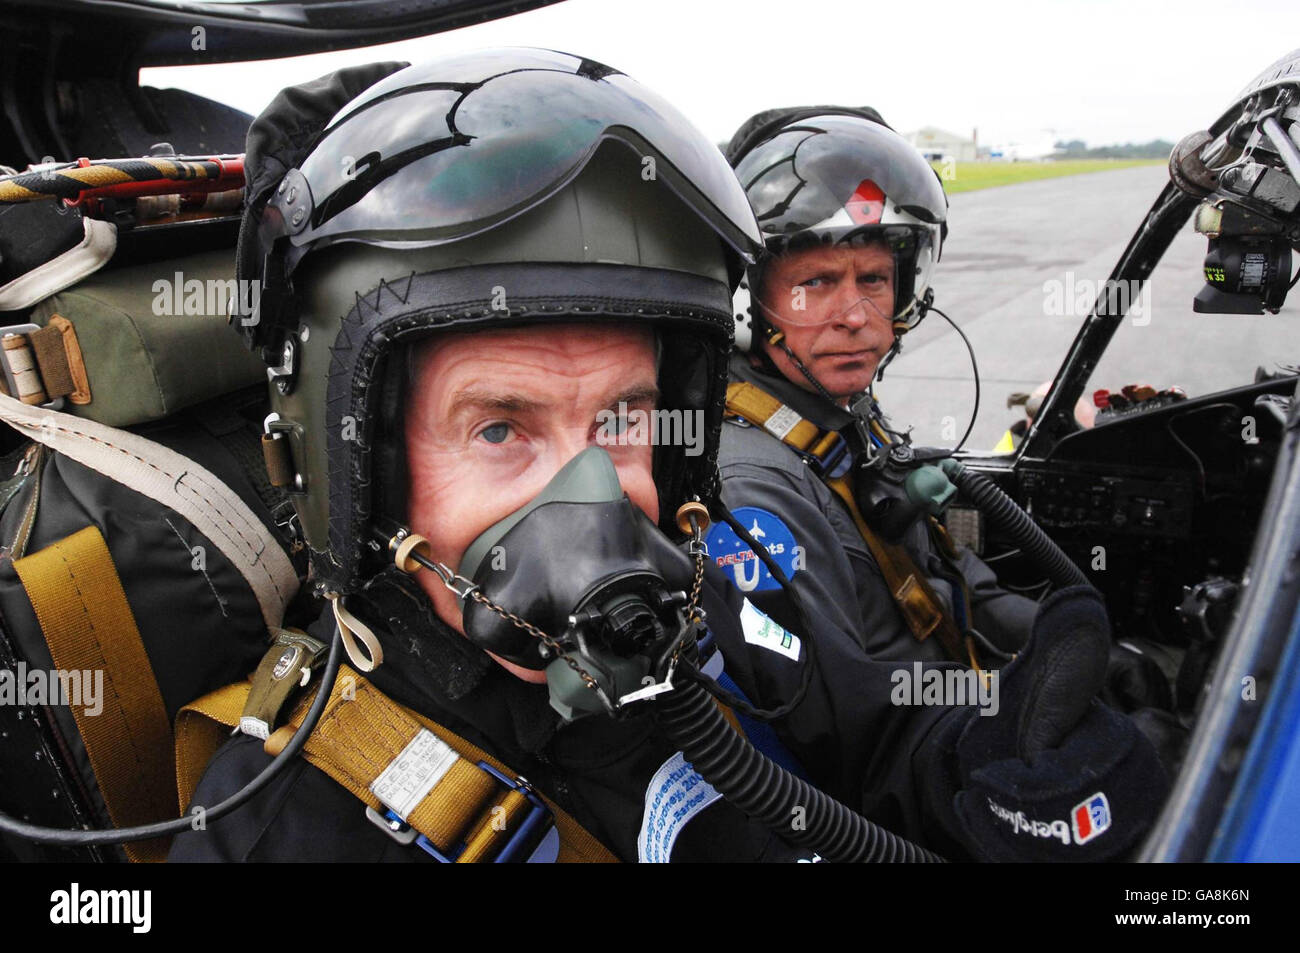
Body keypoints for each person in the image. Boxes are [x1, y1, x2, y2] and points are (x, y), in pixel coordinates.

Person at [169, 51, 1166, 863]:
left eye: (624, 417)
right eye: (499, 427)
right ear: (359, 471)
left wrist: (987, 772)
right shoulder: (280, 826)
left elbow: (868, 741)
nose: (592, 500)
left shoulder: (698, 601)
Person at [715, 109, 1039, 664]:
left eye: (874, 279)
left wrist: (1058, 641)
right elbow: (852, 725)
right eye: (815, 283)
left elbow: (950, 574)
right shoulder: (749, 488)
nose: (857, 317)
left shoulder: (841, 412)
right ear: (748, 299)